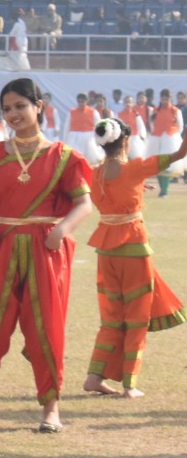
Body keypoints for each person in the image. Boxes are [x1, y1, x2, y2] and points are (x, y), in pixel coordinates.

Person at [0, 78, 93, 432]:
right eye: (8, 108)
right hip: (1, 245)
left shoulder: (64, 156)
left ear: (39, 106)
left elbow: (84, 203)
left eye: (20, 106)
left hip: (46, 249)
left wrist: (62, 230)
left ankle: (50, 409)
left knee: (46, 328)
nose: (13, 114)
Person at [81, 117, 187, 399]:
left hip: (105, 249)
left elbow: (115, 188)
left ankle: (95, 377)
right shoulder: (135, 169)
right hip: (133, 247)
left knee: (112, 317)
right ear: (125, 140)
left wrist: (138, 187)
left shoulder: (95, 173)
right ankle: (129, 384)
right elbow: (180, 154)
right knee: (137, 316)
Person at [147, 92, 184, 196]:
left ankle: (164, 191)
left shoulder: (175, 110)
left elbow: (180, 126)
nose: (164, 101)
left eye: (166, 99)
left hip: (170, 139)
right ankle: (162, 189)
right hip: (156, 139)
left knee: (166, 165)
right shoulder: (155, 110)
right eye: (163, 99)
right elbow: (151, 124)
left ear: (170, 99)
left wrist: (173, 137)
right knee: (156, 164)